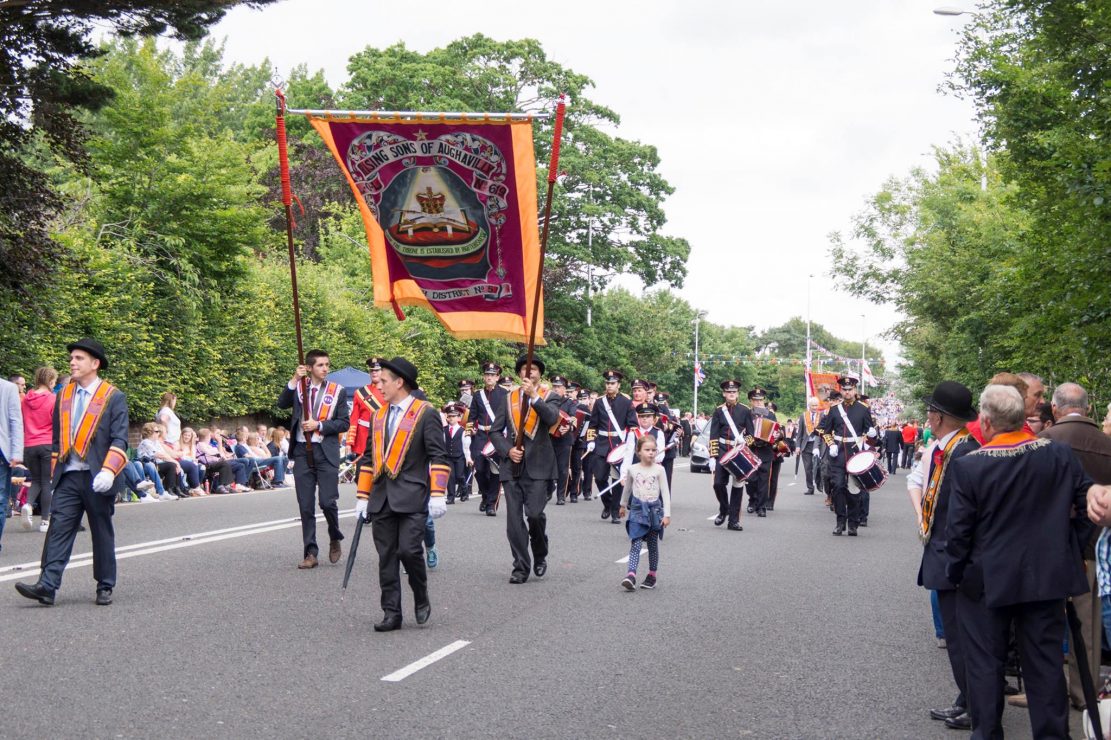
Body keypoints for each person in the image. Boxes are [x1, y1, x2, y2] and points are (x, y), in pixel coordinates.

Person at [946, 384, 1101, 738]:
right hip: (1045, 577)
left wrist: (956, 572)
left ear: (985, 421)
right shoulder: (1057, 454)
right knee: (1045, 665)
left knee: (985, 665)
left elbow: (959, 532)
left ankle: (987, 733)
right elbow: (1085, 503)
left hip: (986, 580)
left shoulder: (971, 467)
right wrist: (1070, 551)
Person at [15, 339, 128, 606]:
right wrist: (55, 475)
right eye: (72, 358)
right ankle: (47, 585)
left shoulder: (113, 397)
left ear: (95, 364)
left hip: (98, 476)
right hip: (69, 474)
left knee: (101, 530)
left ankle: (105, 584)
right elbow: (57, 439)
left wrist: (109, 472)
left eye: (78, 358)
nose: (72, 363)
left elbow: (120, 439)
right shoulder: (63, 394)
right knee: (59, 528)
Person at [353, 356, 450, 631]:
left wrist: (437, 493)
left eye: (383, 380)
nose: (378, 385)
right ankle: (391, 613)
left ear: (399, 382)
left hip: (412, 496)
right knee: (387, 557)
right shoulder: (378, 415)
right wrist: (362, 496)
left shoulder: (425, 412)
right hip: (381, 497)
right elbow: (369, 459)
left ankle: (420, 594)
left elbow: (438, 455)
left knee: (409, 551)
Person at [906, 381, 980, 731]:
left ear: (937, 417)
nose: (928, 416)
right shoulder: (950, 446)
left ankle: (975, 705)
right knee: (956, 635)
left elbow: (962, 512)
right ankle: (966, 698)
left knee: (961, 636)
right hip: (945, 552)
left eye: (930, 411)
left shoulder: (964, 452)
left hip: (955, 558)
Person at [1040, 382, 1111, 711]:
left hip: (1049, 547)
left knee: (1044, 625)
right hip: (1094, 549)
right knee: (1088, 629)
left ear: (1055, 409)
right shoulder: (1106, 444)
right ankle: (1085, 694)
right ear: (1089, 410)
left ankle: (1047, 691)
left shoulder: (1045, 442)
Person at [491, 355, 560, 583]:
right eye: (523, 370)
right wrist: (507, 450)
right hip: (512, 466)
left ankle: (540, 553)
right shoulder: (508, 398)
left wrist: (533, 397)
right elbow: (494, 431)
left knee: (534, 515)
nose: (528, 374)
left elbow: (551, 420)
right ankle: (520, 567)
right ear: (519, 373)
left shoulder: (551, 396)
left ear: (540, 374)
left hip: (539, 466)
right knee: (513, 520)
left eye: (533, 370)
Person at [278, 349, 350, 569]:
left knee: (327, 502)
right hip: (302, 450)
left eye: (327, 364)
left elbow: (344, 423)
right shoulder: (300, 388)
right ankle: (311, 552)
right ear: (309, 368)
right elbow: (281, 404)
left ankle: (334, 534)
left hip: (325, 451)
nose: (326, 368)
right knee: (305, 505)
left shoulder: (337, 391)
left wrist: (319, 425)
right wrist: (294, 378)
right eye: (320, 365)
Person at [818, 374, 876, 536]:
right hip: (837, 454)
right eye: (844, 389)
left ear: (855, 390)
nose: (847, 392)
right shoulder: (835, 410)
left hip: (855, 454)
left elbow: (871, 438)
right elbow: (826, 432)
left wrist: (872, 434)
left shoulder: (863, 409)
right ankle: (840, 521)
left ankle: (853, 523)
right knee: (837, 486)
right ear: (840, 390)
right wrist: (830, 445)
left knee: (854, 490)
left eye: (850, 389)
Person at [619, 433, 671, 590]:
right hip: (636, 509)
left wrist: (667, 514)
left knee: (652, 544)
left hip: (654, 510)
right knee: (635, 542)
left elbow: (665, 493)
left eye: (654, 450)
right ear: (639, 451)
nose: (651, 452)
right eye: (647, 449)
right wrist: (622, 505)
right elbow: (627, 489)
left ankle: (652, 575)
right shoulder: (632, 469)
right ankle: (631, 574)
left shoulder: (660, 470)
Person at [587, 370, 637, 524]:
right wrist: (590, 440)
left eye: (613, 383)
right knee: (600, 477)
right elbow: (592, 424)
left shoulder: (626, 402)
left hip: (619, 445)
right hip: (601, 443)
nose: (609, 386)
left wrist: (630, 445)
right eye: (608, 383)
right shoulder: (599, 402)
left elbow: (633, 425)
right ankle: (607, 503)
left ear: (618, 385)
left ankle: (615, 511)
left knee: (618, 480)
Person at [708, 379, 755, 531]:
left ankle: (733, 521)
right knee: (718, 484)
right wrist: (712, 456)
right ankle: (723, 509)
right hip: (722, 450)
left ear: (738, 394)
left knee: (737, 486)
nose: (731, 394)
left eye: (734, 392)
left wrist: (744, 443)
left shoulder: (745, 410)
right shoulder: (718, 411)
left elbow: (752, 434)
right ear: (724, 394)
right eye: (728, 392)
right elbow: (713, 434)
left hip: (738, 452)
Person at [468, 362, 507, 516]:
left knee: (495, 471)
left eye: (493, 375)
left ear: (497, 377)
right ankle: (485, 495)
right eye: (487, 375)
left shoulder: (505, 394)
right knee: (479, 469)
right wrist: (467, 435)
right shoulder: (478, 395)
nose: (489, 377)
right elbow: (471, 417)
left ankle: (491, 504)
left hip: (497, 436)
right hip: (480, 436)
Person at [20, 366, 57, 532]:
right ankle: (44, 521)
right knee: (46, 482)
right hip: (47, 444)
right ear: (50, 381)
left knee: (35, 480)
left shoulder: (25, 400)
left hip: (29, 445)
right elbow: (56, 424)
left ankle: (27, 504)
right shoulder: (52, 399)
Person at [0, 376, 24, 553]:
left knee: (0, 500)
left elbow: (16, 420)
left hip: (1, 453)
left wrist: (16, 452)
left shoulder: (8, 388)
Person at [746, 388, 778, 516]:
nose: (758, 402)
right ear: (751, 401)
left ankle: (761, 506)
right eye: (755, 400)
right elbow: (743, 430)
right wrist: (749, 440)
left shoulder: (770, 414)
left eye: (760, 400)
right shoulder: (747, 414)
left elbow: (777, 430)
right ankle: (752, 500)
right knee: (751, 479)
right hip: (751, 450)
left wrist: (776, 435)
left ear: (763, 400)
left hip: (766, 450)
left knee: (764, 479)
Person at [547, 375, 577, 505]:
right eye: (554, 386)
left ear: (565, 389)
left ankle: (561, 495)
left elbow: (574, 418)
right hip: (548, 438)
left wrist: (569, 427)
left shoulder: (570, 403)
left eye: (559, 387)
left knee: (563, 468)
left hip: (564, 439)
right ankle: (548, 491)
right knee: (547, 466)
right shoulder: (547, 401)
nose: (556, 389)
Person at [442, 403, 469, 504]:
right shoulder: (444, 430)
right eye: (449, 416)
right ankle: (450, 497)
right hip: (448, 457)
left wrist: (468, 458)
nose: (451, 418)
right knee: (450, 476)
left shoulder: (463, 430)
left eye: (453, 416)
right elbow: (442, 443)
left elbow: (466, 446)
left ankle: (464, 491)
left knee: (459, 476)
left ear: (459, 418)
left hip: (459, 457)